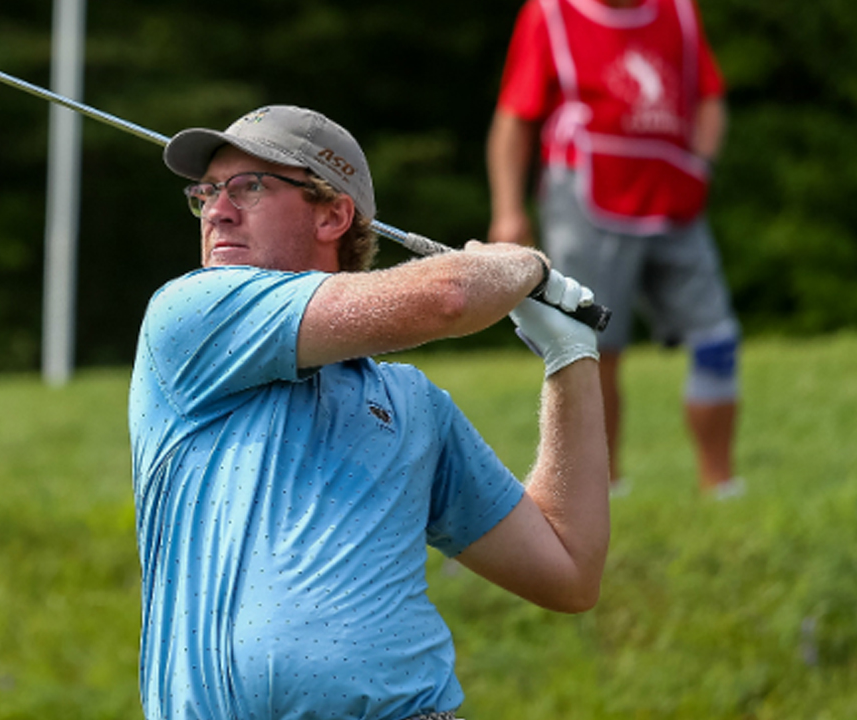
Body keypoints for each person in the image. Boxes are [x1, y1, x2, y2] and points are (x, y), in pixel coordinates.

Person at [128, 104, 610, 720]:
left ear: (333, 214)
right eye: (207, 192)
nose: (217, 209)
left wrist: (571, 354)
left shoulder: (413, 407)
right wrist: (527, 264)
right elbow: (452, 295)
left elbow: (568, 572)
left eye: (249, 187)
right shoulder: (188, 316)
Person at [486, 0, 742, 497]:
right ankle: (604, 485)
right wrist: (508, 209)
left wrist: (702, 165)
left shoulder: (679, 12)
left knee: (717, 339)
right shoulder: (551, 13)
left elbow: (709, 96)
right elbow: (514, 118)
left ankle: (721, 485)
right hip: (586, 197)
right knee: (595, 345)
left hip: (673, 197)